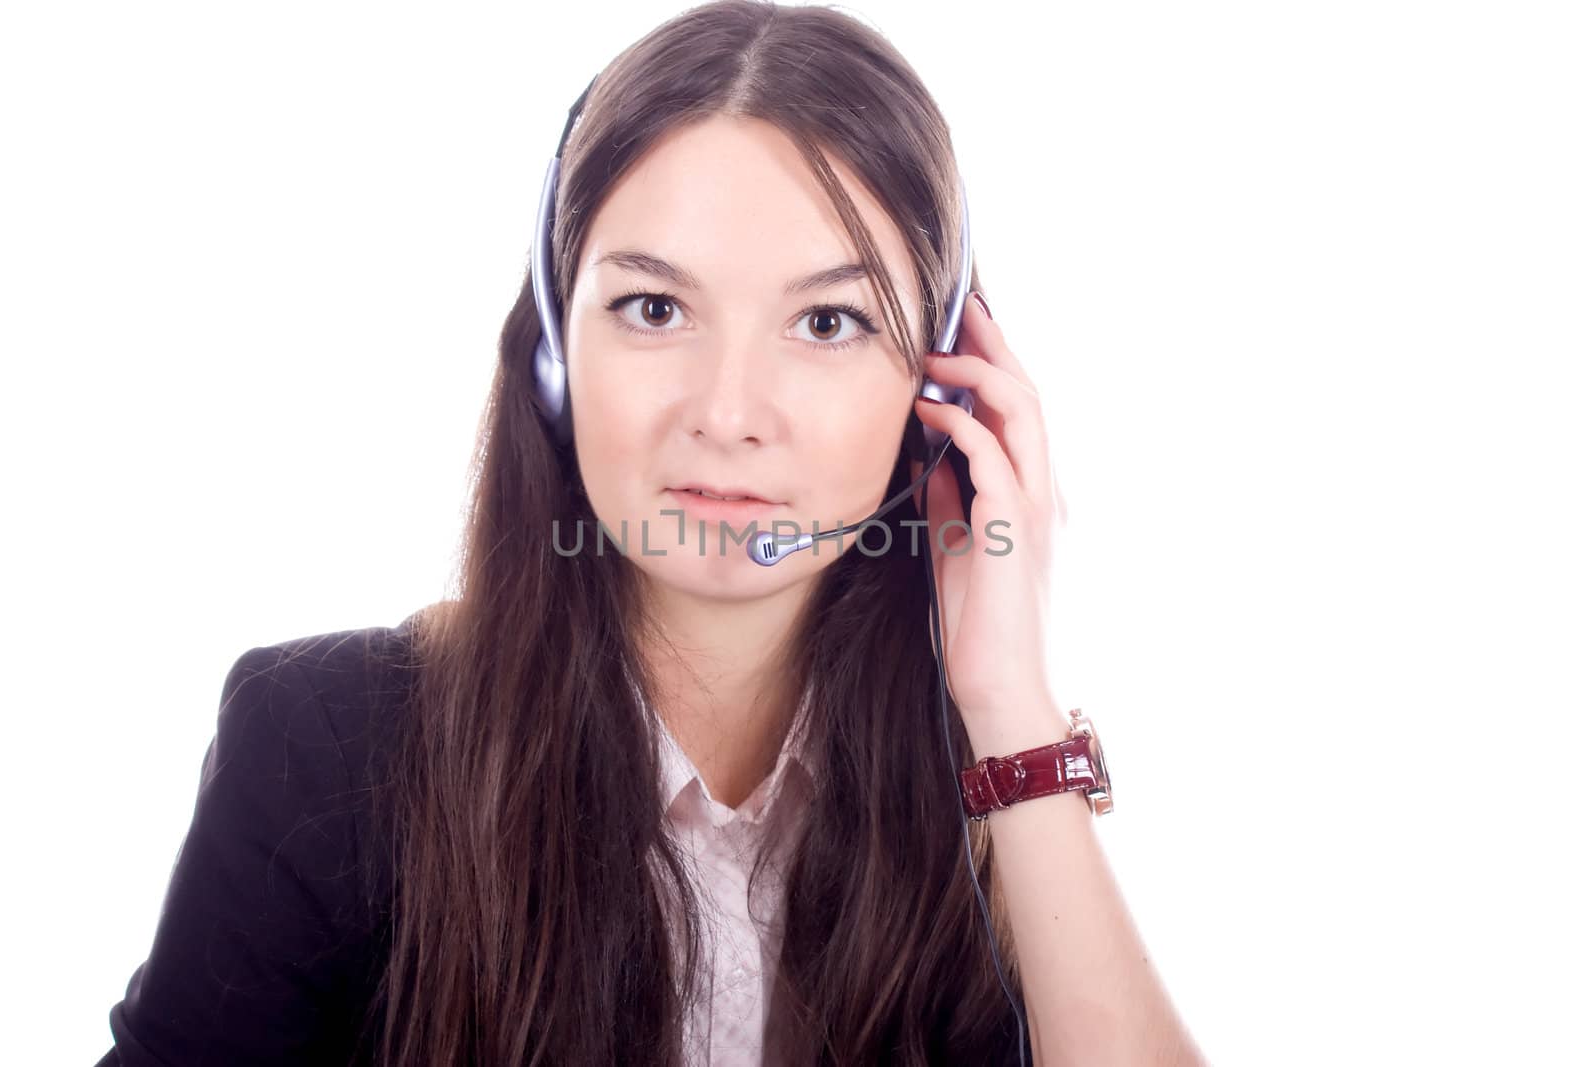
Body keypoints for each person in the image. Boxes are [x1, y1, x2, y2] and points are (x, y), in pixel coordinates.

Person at [96, 2, 1203, 1065]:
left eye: (828, 321)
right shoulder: (319, 749)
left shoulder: (986, 797)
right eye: (654, 308)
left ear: (938, 385)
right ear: (553, 360)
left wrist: (1010, 702)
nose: (727, 413)